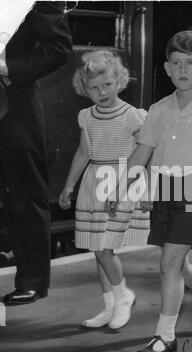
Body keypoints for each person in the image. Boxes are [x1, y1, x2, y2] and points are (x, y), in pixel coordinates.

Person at [106, 23, 192, 352]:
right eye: (176, 62)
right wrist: (121, 188)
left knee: (168, 262)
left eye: (190, 63)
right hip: (163, 188)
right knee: (176, 261)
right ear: (166, 68)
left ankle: (164, 336)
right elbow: (142, 153)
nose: (182, 69)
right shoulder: (158, 110)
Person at [59, 50, 150, 330]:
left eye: (107, 84)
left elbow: (146, 154)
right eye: (95, 88)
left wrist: (146, 192)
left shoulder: (134, 117)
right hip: (93, 183)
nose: (102, 92)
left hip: (121, 183)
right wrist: (68, 185)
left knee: (103, 250)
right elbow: (83, 152)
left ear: (119, 80)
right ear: (84, 90)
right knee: (96, 249)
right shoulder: (86, 117)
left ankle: (124, 296)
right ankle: (110, 306)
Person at [0, 1, 72, 306]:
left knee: (25, 193)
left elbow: (59, 47)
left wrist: (8, 68)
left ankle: (32, 280)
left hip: (13, 102)